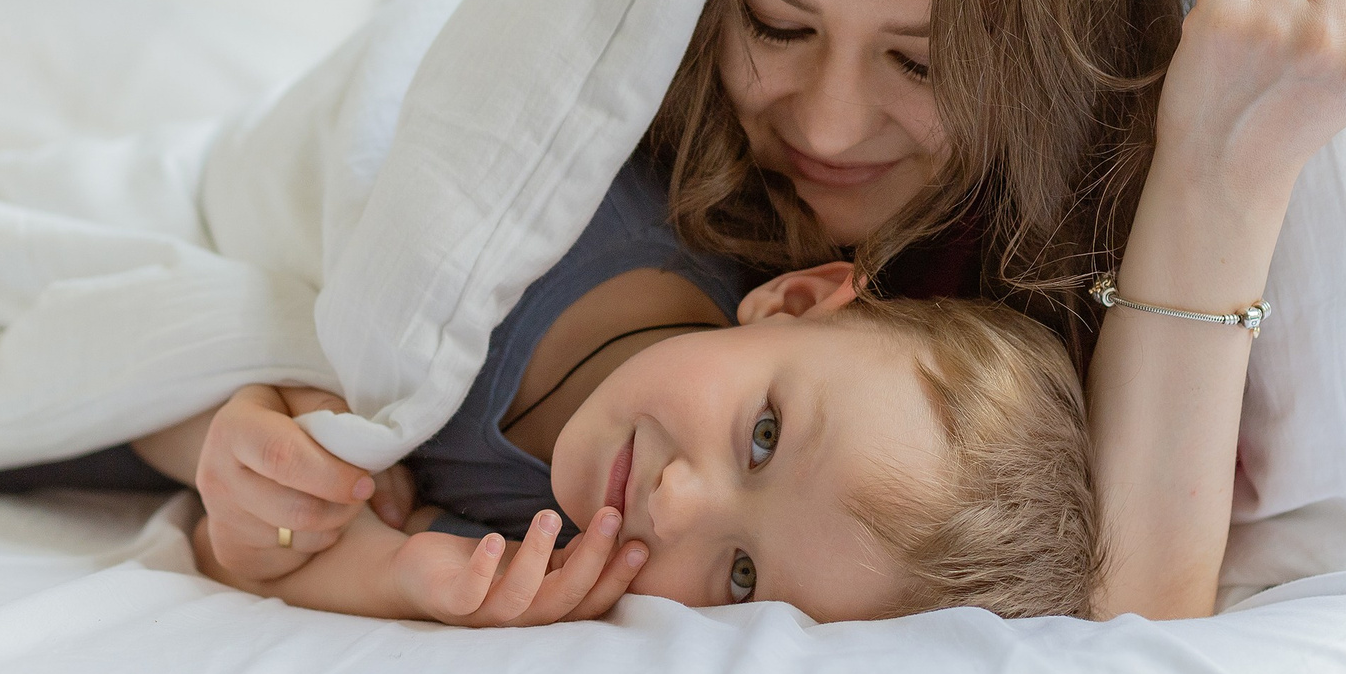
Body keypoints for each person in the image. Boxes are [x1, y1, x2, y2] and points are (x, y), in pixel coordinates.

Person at [164, 0, 1346, 623]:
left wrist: (1219, 170)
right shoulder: (596, 134)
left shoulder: (983, 354)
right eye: (776, 24)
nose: (825, 126)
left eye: (923, 62)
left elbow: (1137, 611)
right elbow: (268, 317)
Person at [145, 244, 1097, 626]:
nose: (676, 501)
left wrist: (398, 573)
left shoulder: (553, 559)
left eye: (741, 576)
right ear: (792, 300)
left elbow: (239, 553)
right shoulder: (571, 219)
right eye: (763, 435)